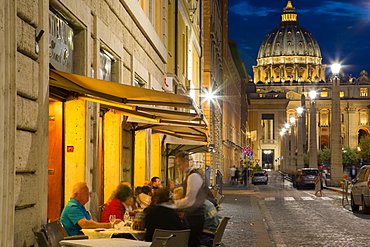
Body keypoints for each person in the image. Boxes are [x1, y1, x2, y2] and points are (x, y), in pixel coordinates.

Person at [174, 151, 206, 247]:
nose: (179, 168)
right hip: (196, 215)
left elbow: (189, 201)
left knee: (192, 242)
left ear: (187, 162)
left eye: (180, 165)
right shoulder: (195, 174)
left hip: (194, 216)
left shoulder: (193, 176)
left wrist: (174, 203)